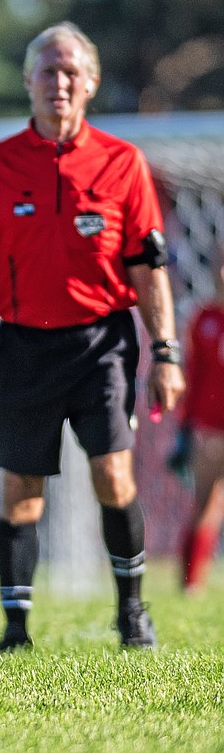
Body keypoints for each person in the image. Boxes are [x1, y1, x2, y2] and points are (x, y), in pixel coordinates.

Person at [0, 22, 185, 651]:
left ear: (88, 84)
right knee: (19, 487)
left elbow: (149, 269)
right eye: (46, 71)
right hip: (25, 343)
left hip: (103, 344)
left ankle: (133, 614)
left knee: (114, 476)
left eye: (70, 73)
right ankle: (15, 629)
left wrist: (166, 353)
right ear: (27, 81)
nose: (58, 83)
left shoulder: (122, 164)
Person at [171, 250, 224, 592]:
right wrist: (187, 426)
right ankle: (190, 582)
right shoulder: (204, 318)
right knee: (207, 501)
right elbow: (194, 375)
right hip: (211, 428)